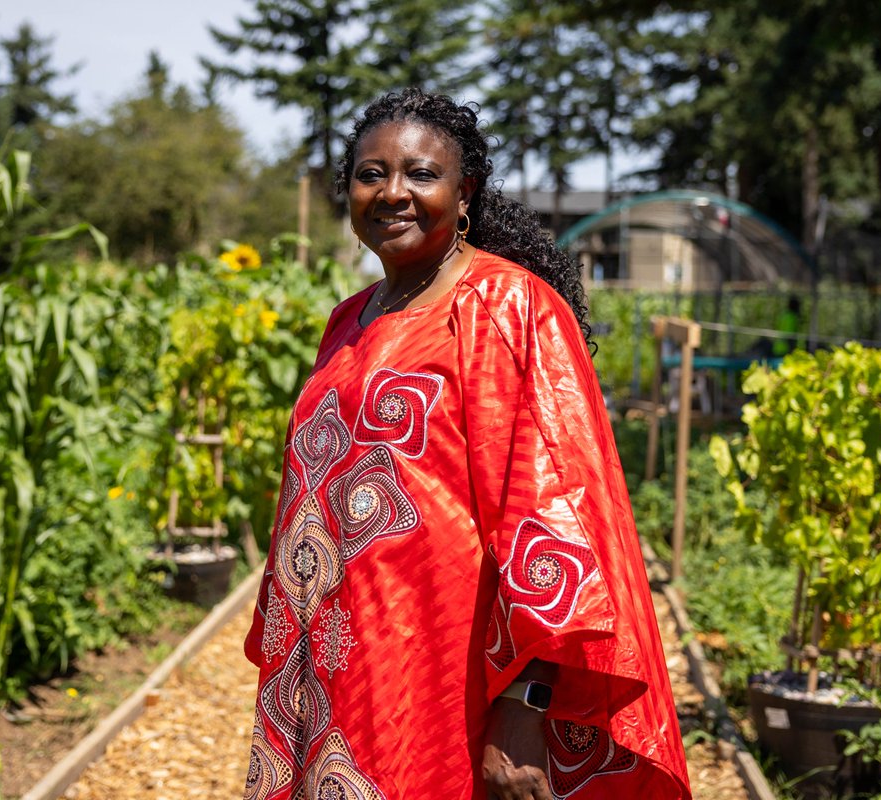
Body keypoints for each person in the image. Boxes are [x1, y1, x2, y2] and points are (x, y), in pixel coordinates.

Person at [242, 88, 691, 800]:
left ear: (465, 192)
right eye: (370, 174)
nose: (393, 192)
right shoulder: (350, 319)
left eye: (421, 174)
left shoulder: (506, 307)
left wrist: (524, 706)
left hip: (449, 683)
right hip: (334, 674)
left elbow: (556, 520)